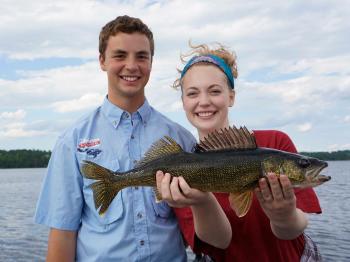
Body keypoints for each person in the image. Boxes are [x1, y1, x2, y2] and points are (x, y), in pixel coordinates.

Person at [34, 16, 231, 261]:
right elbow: (62, 234)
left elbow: (203, 234)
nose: (131, 65)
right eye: (119, 55)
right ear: (102, 61)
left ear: (151, 62)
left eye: (141, 56)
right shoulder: (72, 141)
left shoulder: (181, 139)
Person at [156, 43, 323, 261]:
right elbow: (218, 242)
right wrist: (201, 200)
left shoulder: (275, 141)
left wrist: (284, 216)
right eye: (193, 93)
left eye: (215, 91)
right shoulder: (180, 168)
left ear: (231, 96)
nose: (204, 101)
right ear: (183, 102)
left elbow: (293, 229)